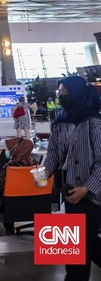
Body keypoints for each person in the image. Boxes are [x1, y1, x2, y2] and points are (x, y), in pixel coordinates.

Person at [42, 76, 101, 281]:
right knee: (83, 242)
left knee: (77, 248)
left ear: (78, 94)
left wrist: (87, 188)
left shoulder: (94, 122)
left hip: (91, 194)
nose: (60, 96)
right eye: (59, 92)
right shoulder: (60, 121)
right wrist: (44, 173)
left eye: (65, 92)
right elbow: (54, 154)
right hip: (68, 190)